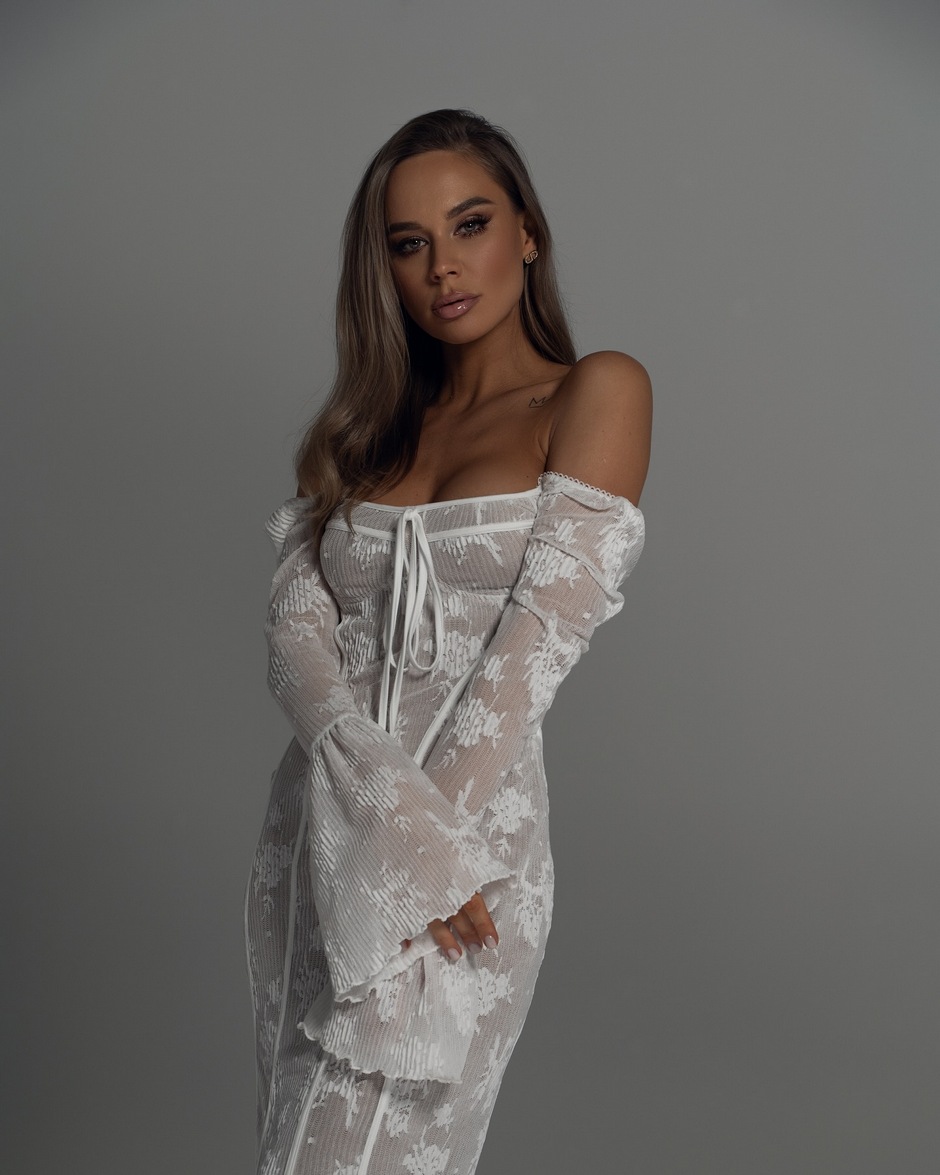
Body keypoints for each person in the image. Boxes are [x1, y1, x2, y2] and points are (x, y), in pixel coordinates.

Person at [246, 108, 652, 1175]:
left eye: (470, 225)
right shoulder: (363, 429)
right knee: (289, 1142)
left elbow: (532, 649)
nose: (442, 266)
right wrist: (376, 815)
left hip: (464, 858)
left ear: (528, 231)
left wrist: (422, 853)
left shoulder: (596, 390)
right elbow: (295, 640)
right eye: (408, 242)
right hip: (322, 835)